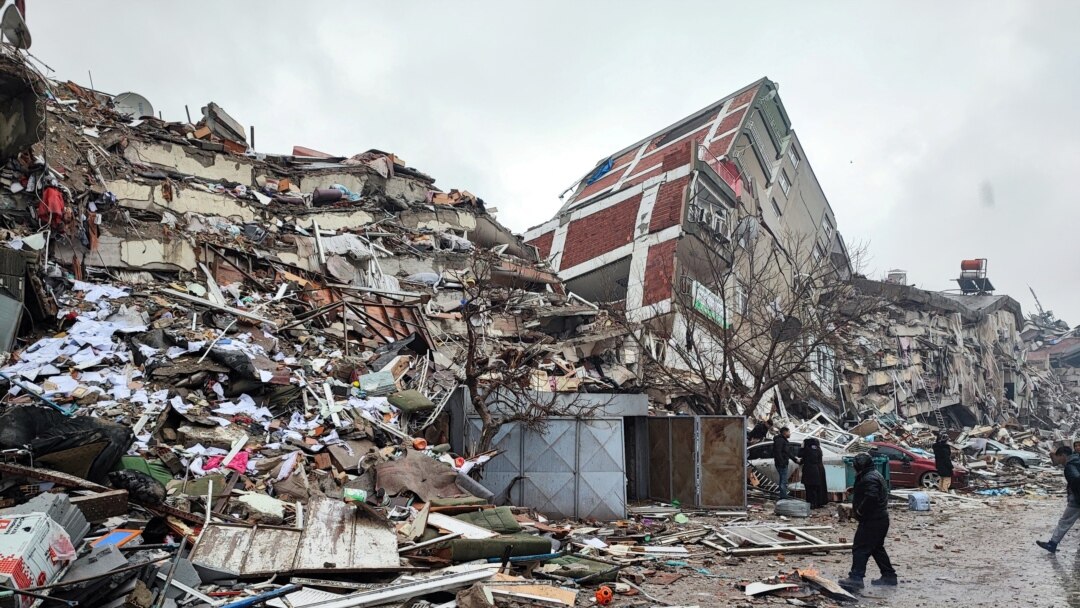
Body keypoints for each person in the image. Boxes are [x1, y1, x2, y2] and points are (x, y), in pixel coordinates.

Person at [839, 453, 897, 591]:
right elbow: (870, 490)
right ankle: (889, 576)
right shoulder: (872, 474)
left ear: (859, 466)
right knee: (876, 548)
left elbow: (871, 496)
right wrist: (856, 490)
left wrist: (859, 511)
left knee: (860, 548)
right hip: (880, 519)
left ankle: (856, 579)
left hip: (872, 520)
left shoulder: (869, 478)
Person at [1036, 446, 1080, 553]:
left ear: (1063, 455)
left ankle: (1052, 544)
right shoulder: (1077, 460)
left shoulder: (1070, 466)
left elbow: (1076, 481)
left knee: (1065, 521)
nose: (1058, 460)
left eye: (1058, 457)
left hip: (1077, 500)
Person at [798, 437, 828, 508]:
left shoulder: (808, 449)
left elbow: (799, 454)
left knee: (810, 488)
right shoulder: (818, 449)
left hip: (810, 471)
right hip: (819, 470)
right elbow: (809, 458)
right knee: (818, 488)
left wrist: (802, 447)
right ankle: (818, 502)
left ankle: (812, 504)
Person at [773, 427, 801, 500]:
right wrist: (782, 462)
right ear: (785, 433)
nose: (790, 433)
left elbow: (787, 453)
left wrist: (795, 460)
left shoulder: (783, 440)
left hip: (783, 463)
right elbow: (778, 452)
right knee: (783, 481)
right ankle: (783, 497)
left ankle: (783, 495)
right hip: (781, 463)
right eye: (789, 432)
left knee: (783, 480)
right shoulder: (780, 440)